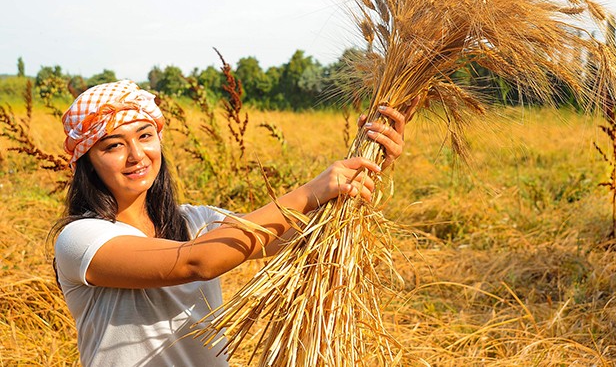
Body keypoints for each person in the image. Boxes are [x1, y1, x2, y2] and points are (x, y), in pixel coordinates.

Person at [50, 79, 415, 366]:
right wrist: (312, 190)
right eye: (112, 145)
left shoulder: (197, 221)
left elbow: (307, 239)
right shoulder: (81, 239)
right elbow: (196, 262)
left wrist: (371, 162)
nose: (136, 155)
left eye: (145, 136)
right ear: (88, 161)